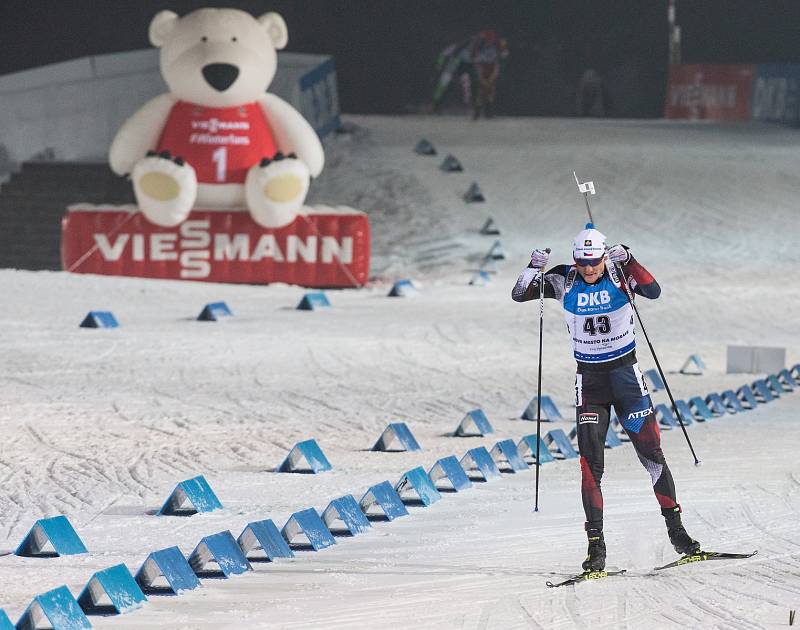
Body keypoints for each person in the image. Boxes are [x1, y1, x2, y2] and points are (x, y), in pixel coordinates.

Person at [511, 225, 700, 571]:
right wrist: (532, 266)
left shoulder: (618, 272)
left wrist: (630, 259)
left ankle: (678, 533)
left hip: (626, 377)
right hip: (591, 382)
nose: (588, 269)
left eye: (594, 262)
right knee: (590, 465)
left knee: (651, 455)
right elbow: (520, 293)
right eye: (582, 263)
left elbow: (653, 291)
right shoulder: (563, 280)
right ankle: (596, 550)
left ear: (603, 257)